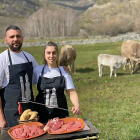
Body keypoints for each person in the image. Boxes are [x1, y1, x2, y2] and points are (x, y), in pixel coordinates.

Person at [32, 41, 81, 123]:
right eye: (48, 53)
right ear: (44, 55)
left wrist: (77, 106)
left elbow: (71, 92)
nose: (51, 56)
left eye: (54, 53)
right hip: (41, 113)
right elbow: (28, 86)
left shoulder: (64, 71)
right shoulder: (37, 71)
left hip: (60, 113)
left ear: (58, 55)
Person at [0, 25, 39, 127]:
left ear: (22, 38)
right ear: (6, 39)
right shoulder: (2, 59)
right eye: (12, 37)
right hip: (11, 112)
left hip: (30, 110)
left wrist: (61, 69)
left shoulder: (29, 57)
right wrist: (1, 118)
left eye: (18, 36)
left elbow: (42, 75)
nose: (15, 39)